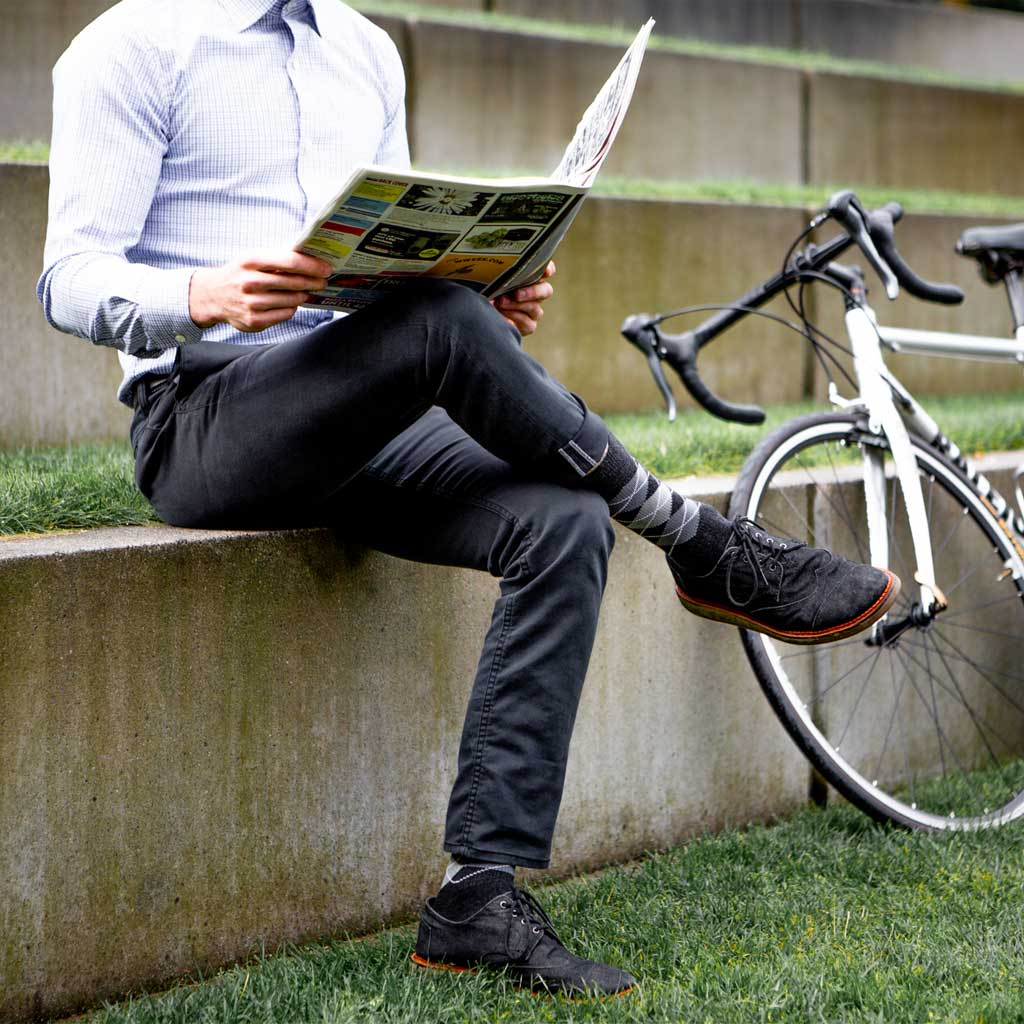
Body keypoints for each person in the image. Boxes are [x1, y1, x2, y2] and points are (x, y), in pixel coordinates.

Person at [38, 0, 900, 999]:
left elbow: (397, 274)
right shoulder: (132, 43)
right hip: (203, 415)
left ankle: (475, 901)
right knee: (442, 324)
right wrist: (205, 292)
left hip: (366, 406)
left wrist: (490, 294)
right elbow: (69, 277)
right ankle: (696, 539)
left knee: (564, 518)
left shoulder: (365, 49)